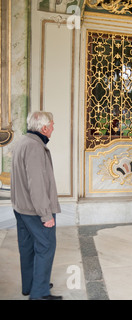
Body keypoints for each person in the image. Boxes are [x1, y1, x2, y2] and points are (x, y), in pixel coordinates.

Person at [11, 111, 62, 300]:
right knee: (45, 247)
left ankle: (31, 285)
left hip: (21, 208)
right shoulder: (35, 147)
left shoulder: (23, 142)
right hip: (35, 210)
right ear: (44, 127)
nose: (53, 128)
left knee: (27, 248)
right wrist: (46, 215)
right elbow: (37, 184)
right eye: (53, 125)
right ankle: (39, 294)